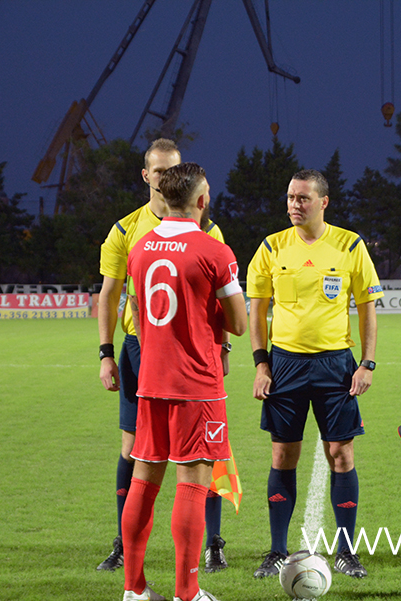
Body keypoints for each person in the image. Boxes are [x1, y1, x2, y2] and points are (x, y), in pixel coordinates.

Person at [97, 138, 232, 574]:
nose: (165, 177)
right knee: (167, 457)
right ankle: (135, 551)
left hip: (167, 355)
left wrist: (223, 347)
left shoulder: (167, 239)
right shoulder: (126, 230)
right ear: (147, 176)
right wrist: (106, 353)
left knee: (158, 464)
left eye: (172, 170)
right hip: (164, 355)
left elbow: (134, 301)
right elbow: (111, 298)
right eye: (159, 171)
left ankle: (208, 545)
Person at [246, 169, 384, 579]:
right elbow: (257, 311)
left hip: (336, 365)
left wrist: (367, 363)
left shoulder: (349, 245)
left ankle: (347, 551)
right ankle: (275, 551)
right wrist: (260, 364)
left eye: (303, 198)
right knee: (282, 455)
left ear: (324, 202)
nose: (294, 204)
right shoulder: (271, 247)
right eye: (290, 197)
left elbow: (368, 308)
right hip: (285, 364)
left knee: (341, 454)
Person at [122, 162, 247, 601]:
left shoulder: (140, 248)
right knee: (193, 480)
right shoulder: (215, 251)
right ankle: (187, 593)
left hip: (151, 378)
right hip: (196, 381)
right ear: (200, 199)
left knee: (144, 478)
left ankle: (134, 590)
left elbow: (137, 310)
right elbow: (239, 323)